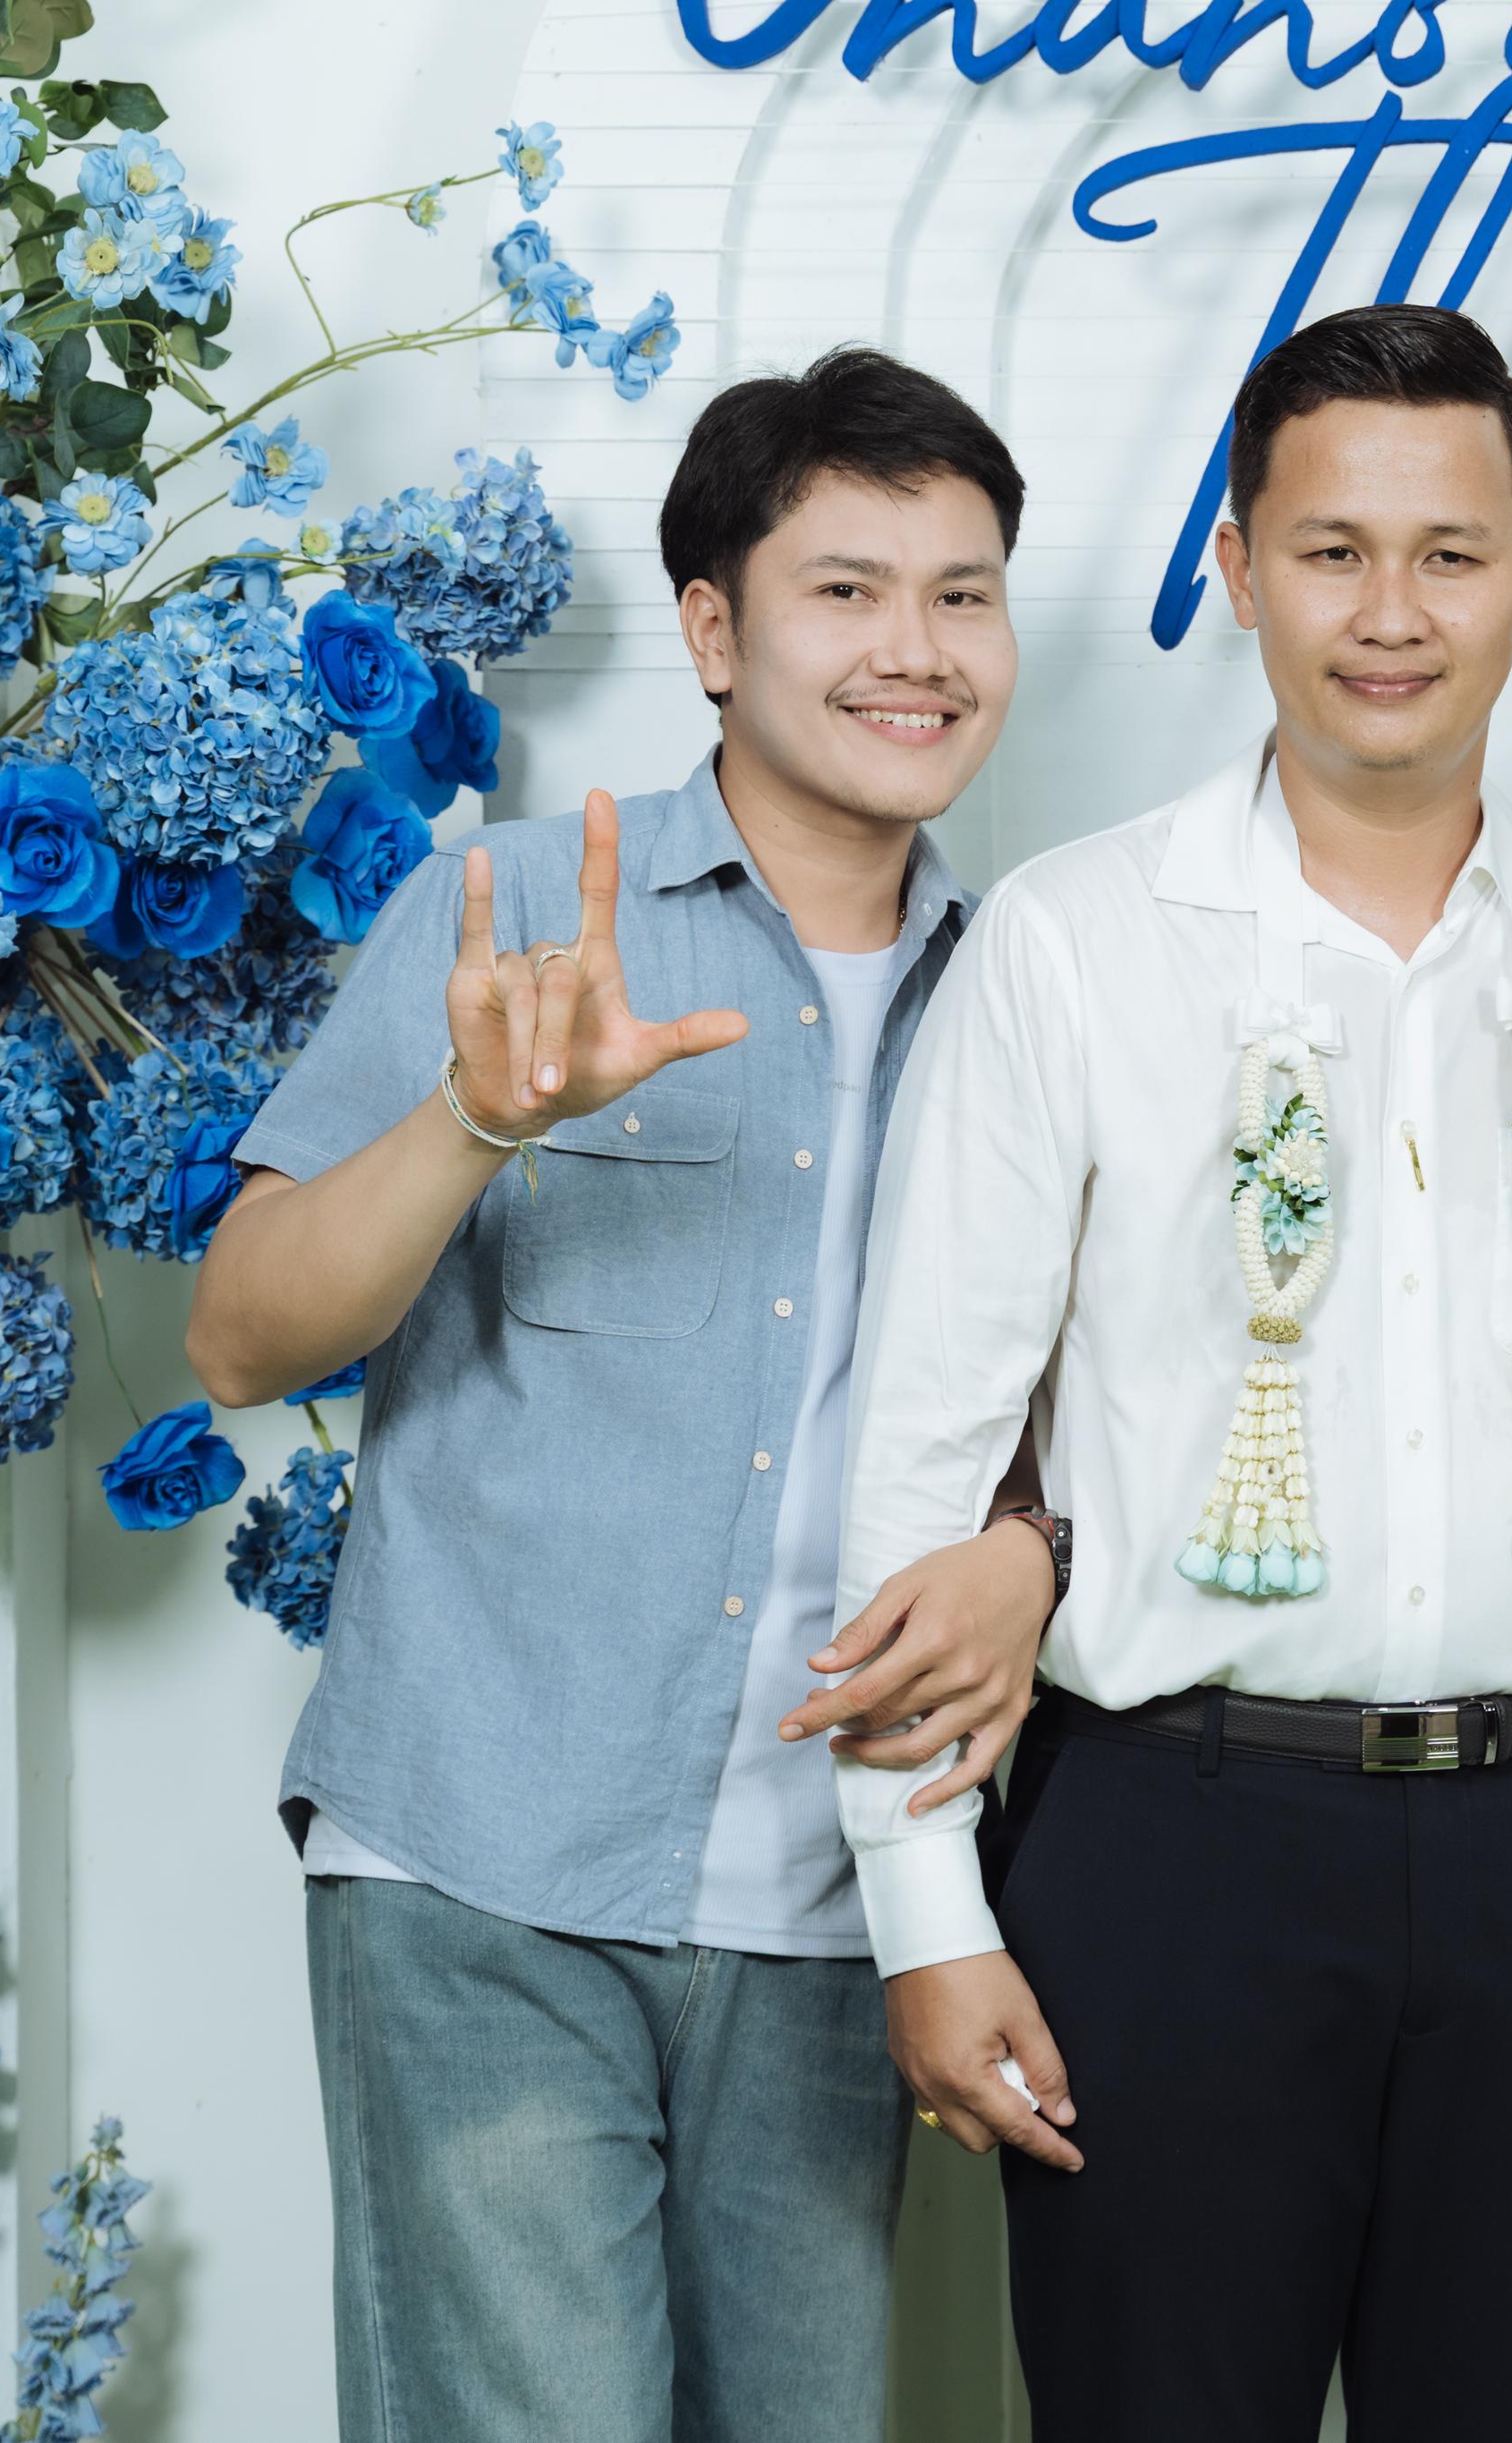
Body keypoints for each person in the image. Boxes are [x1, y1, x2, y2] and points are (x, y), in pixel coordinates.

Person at [810, 302, 1512, 2442]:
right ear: (1234, 567)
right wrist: (922, 1909)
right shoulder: (1072, 945)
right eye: (1331, 552)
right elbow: (923, 1459)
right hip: (1163, 1847)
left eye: (1449, 554)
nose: (1391, 614)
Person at [183, 346, 1059, 2443]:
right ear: (711, 631)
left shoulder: (1038, 988)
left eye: (962, 594)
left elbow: (1094, 1411)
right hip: (486, 1861)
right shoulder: (505, 914)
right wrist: (475, 1121)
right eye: (846, 591)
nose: (917, 650)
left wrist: (1034, 1556)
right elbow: (241, 1336)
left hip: (847, 1903)